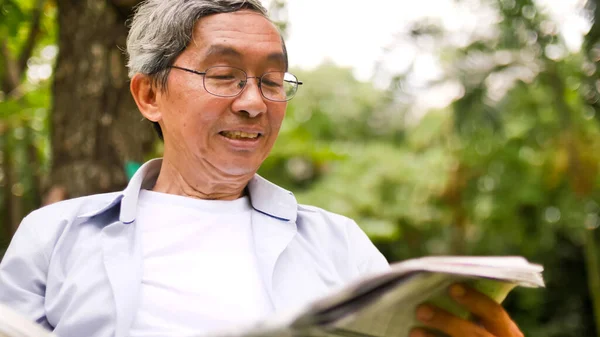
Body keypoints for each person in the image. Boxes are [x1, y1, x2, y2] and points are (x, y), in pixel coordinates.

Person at [0, 1, 525, 337]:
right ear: (149, 93)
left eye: (273, 82)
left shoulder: (339, 243)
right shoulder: (54, 236)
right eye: (225, 75)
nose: (254, 102)